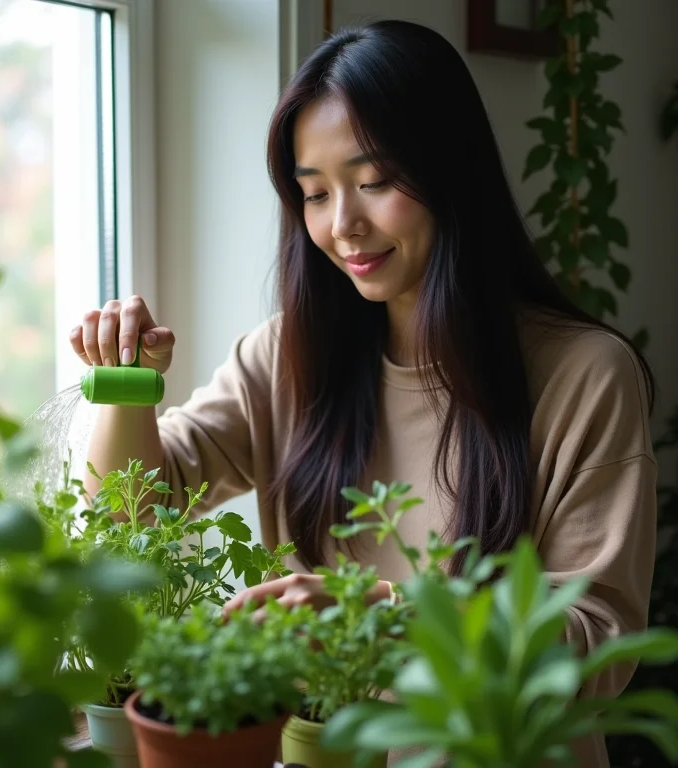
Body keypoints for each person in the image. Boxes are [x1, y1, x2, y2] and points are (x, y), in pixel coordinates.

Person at [70, 20, 656, 767]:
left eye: (374, 182)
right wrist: (126, 388)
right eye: (315, 194)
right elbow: (130, 516)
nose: (342, 225)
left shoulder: (584, 375)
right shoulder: (288, 356)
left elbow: (595, 649)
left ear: (451, 172)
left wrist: (380, 620)